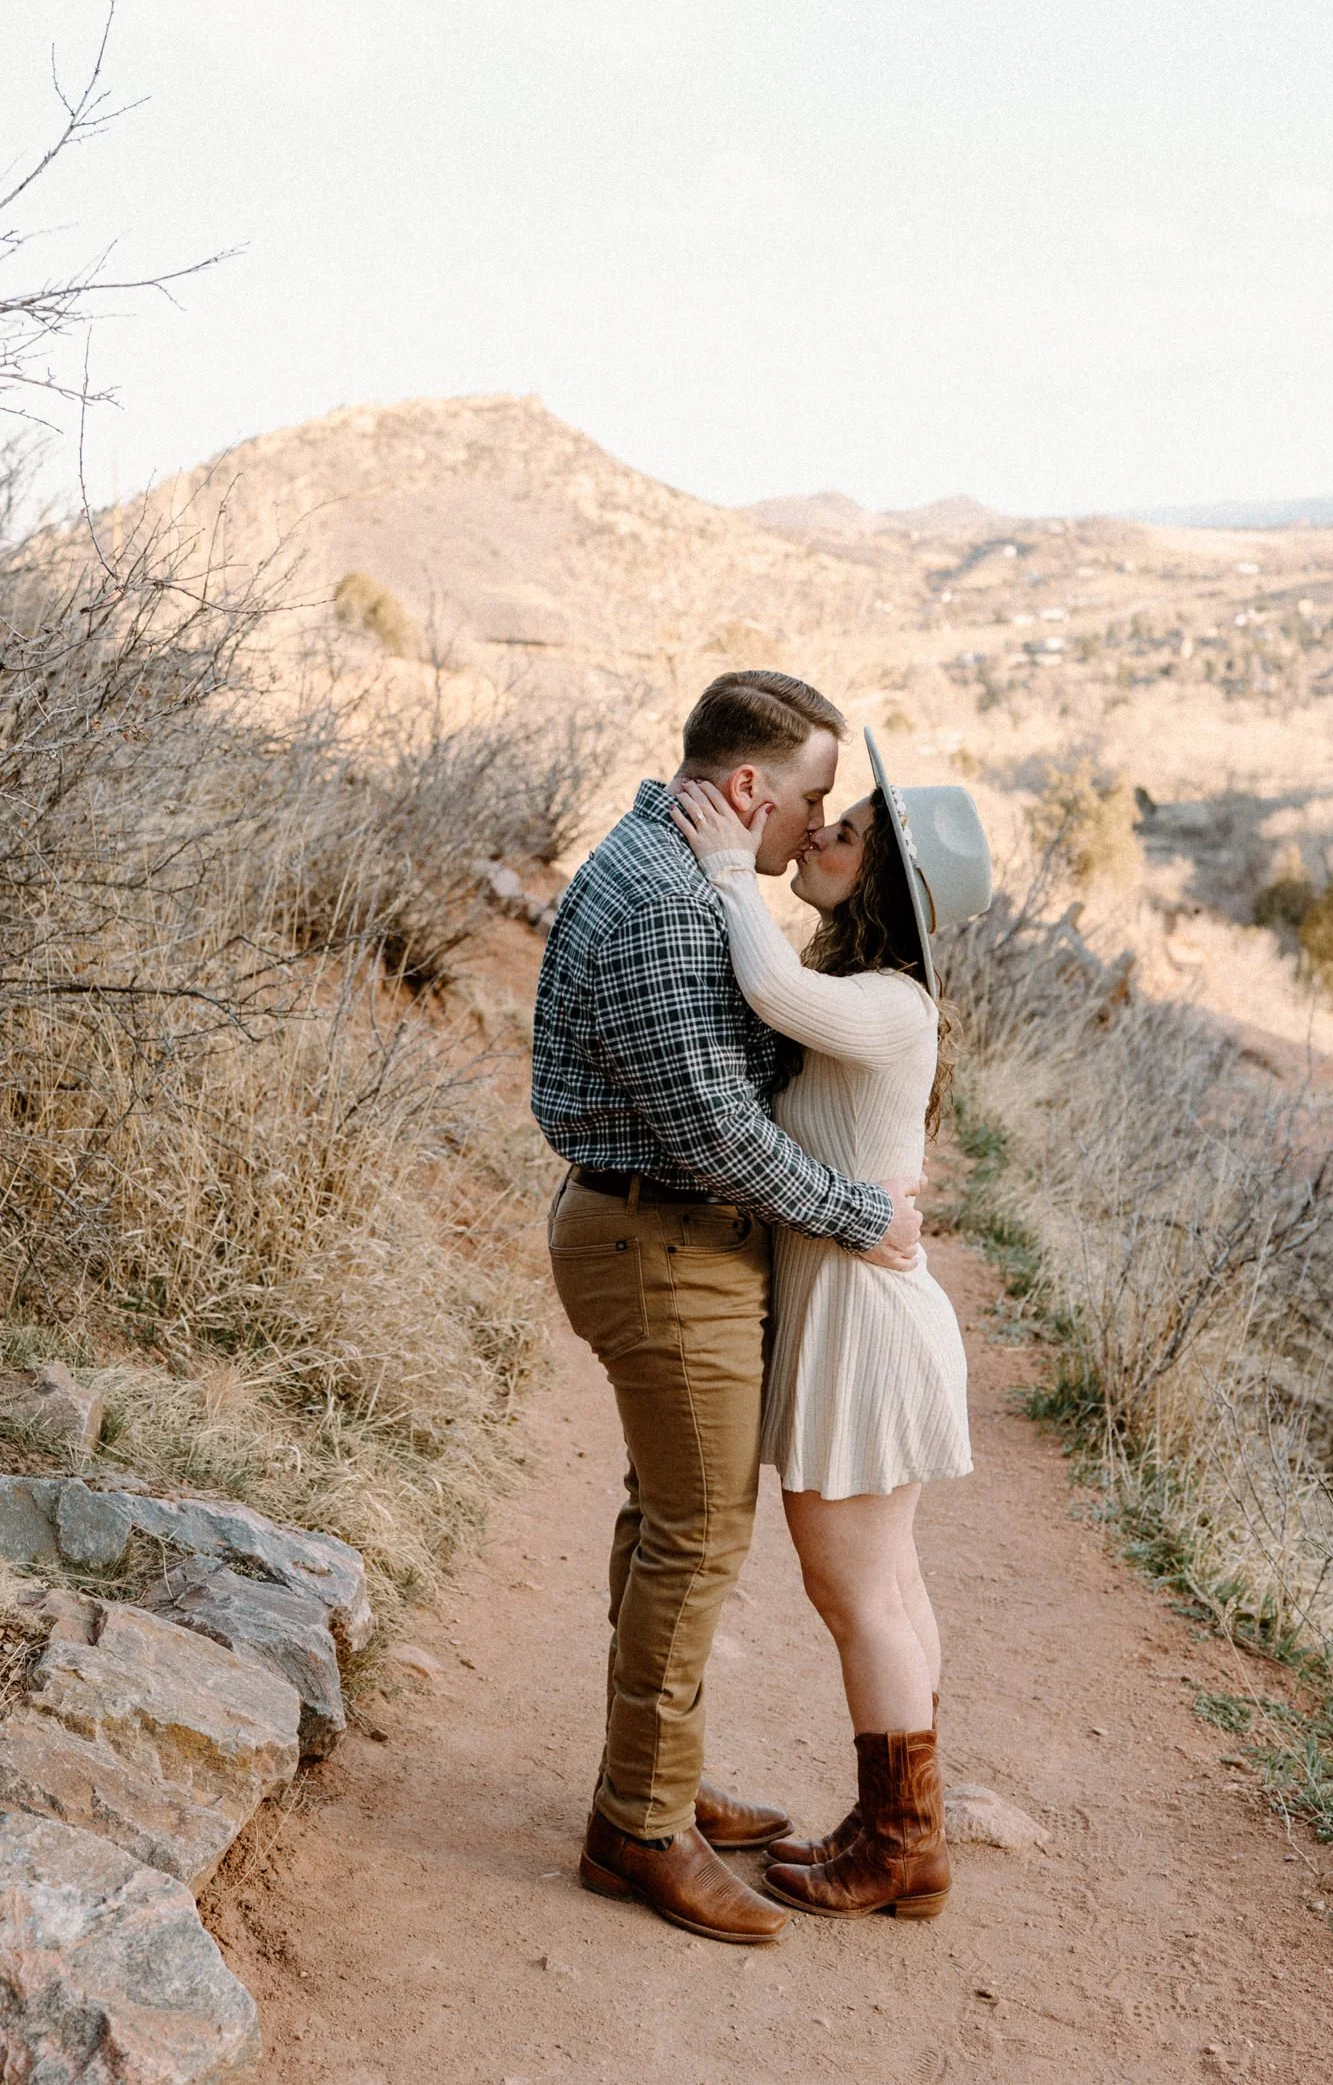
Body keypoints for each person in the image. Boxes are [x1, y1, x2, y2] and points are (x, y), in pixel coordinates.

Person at [531, 672, 924, 1948]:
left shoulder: (677, 876)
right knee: (696, 1532)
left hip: (674, 1228)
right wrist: (865, 1216)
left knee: (667, 1516)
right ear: (747, 786)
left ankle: (664, 1773)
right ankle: (638, 1825)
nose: (815, 822)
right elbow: (713, 1127)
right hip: (660, 1231)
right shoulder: (660, 898)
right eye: (810, 794)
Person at [669, 727, 991, 1921]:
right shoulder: (876, 1002)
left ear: (884, 884)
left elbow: (767, 988)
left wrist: (718, 862)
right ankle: (897, 1825)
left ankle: (906, 1840)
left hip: (869, 1325)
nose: (819, 834)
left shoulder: (891, 1003)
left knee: (860, 1597)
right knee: (887, 1593)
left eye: (844, 834)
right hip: (863, 1312)